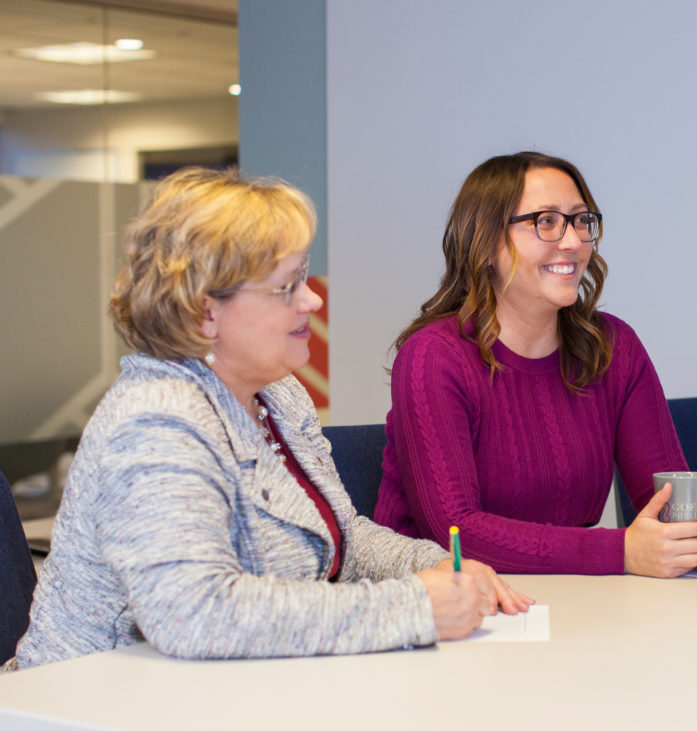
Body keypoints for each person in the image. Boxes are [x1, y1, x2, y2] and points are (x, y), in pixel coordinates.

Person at [7, 167, 530, 672]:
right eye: (286, 287)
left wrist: (431, 565)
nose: (312, 299)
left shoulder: (277, 394)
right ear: (204, 312)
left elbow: (344, 539)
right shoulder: (155, 421)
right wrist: (414, 608)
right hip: (93, 702)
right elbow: (196, 616)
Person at [373, 151, 697, 576]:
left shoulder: (613, 346)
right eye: (546, 221)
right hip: (444, 611)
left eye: (581, 221)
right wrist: (620, 550)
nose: (572, 241)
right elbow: (456, 534)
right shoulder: (434, 357)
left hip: (570, 601)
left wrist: (690, 529)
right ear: (487, 242)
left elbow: (659, 498)